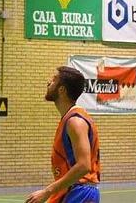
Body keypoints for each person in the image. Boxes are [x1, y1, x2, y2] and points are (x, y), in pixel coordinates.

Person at [26, 66, 101, 203]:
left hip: (80, 191)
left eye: (54, 80)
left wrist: (47, 191)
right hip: (71, 190)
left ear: (62, 90)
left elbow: (84, 165)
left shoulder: (75, 121)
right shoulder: (68, 118)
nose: (48, 82)